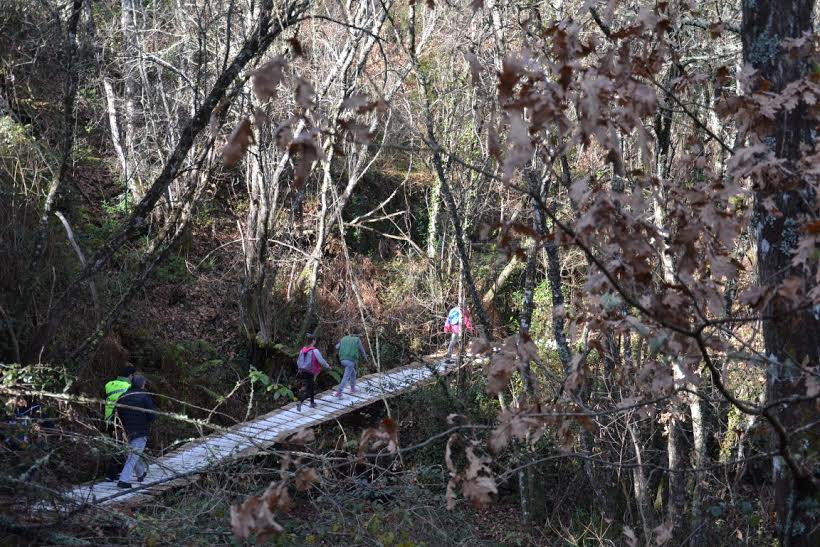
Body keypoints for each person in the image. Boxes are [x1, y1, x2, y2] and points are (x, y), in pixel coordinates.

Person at [115, 374, 155, 488]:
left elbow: (117, 412)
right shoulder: (144, 397)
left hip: (125, 431)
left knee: (134, 452)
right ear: (142, 384)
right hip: (140, 430)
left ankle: (140, 473)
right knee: (133, 455)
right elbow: (151, 415)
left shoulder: (123, 396)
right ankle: (124, 480)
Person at [104, 364, 135, 481]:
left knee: (116, 445)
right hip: (121, 420)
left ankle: (116, 472)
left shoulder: (109, 385)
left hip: (109, 420)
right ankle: (111, 474)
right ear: (130, 376)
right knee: (120, 447)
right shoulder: (128, 387)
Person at [295, 333, 330, 411]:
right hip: (311, 371)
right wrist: (327, 366)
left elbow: (298, 361)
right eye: (314, 340)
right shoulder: (315, 350)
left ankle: (312, 403)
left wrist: (300, 369)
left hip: (303, 371)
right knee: (309, 389)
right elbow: (321, 361)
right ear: (313, 341)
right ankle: (300, 402)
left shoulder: (302, 350)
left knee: (311, 386)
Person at [334, 327, 368, 397]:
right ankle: (339, 392)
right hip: (350, 361)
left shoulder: (344, 338)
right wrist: (365, 358)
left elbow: (337, 347)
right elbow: (362, 350)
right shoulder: (357, 340)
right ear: (357, 334)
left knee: (353, 374)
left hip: (342, 360)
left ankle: (352, 389)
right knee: (346, 376)